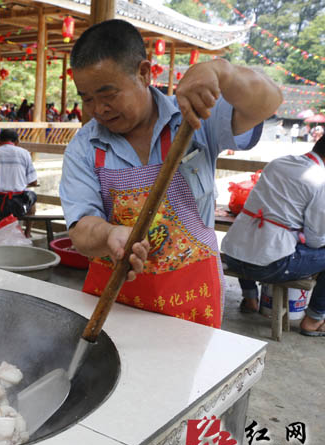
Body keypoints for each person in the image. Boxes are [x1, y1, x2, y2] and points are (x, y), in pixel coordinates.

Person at [59, 19, 281, 327]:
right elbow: (81, 228)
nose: (98, 109)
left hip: (192, 303)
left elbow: (268, 101)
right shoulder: (85, 147)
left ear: (144, 72)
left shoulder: (194, 116)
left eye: (107, 94)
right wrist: (109, 234)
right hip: (116, 303)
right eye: (86, 98)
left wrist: (222, 72)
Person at [221, 136, 325, 337]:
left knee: (252, 239)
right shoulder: (321, 180)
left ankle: (251, 299)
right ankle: (313, 320)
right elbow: (315, 240)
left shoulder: (279, 163)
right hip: (269, 265)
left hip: (233, 254)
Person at [0, 129, 38, 224]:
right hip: (18, 205)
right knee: (32, 198)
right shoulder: (25, 153)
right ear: (17, 142)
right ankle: (27, 233)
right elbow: (33, 182)